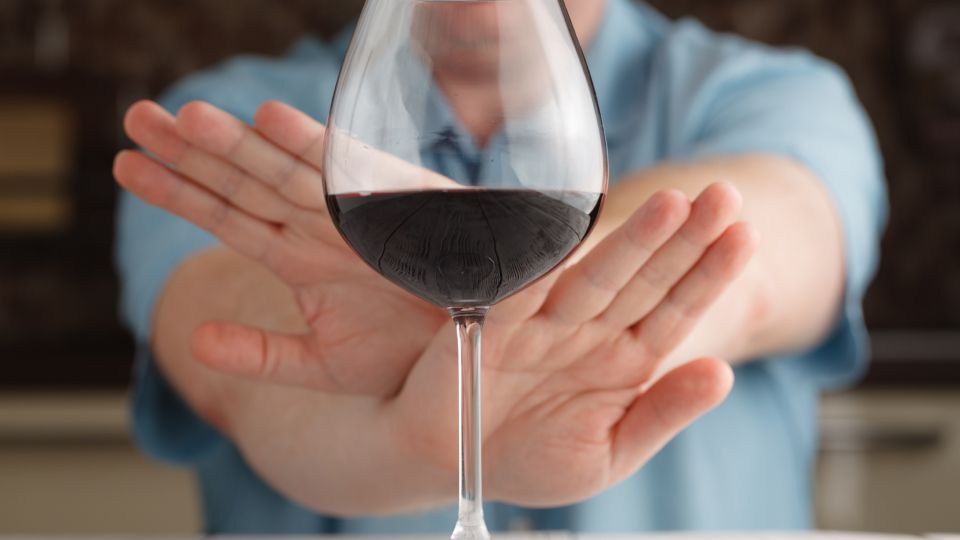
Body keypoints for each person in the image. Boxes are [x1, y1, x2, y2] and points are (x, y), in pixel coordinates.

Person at [113, 0, 886, 534]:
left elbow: (762, 252)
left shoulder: (774, 96)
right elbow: (247, 375)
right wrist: (422, 435)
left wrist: (463, 311)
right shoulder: (224, 126)